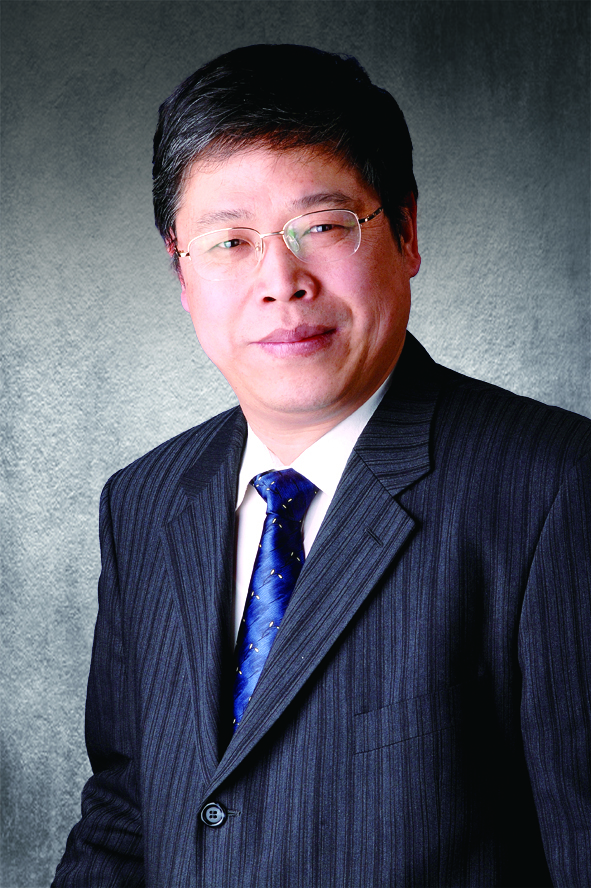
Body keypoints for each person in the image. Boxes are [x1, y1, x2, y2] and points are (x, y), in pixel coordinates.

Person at [53, 44, 591, 887]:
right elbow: (124, 813)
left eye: (325, 226)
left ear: (405, 233)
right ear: (180, 272)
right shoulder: (144, 500)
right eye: (229, 240)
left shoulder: (555, 488)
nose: (280, 280)